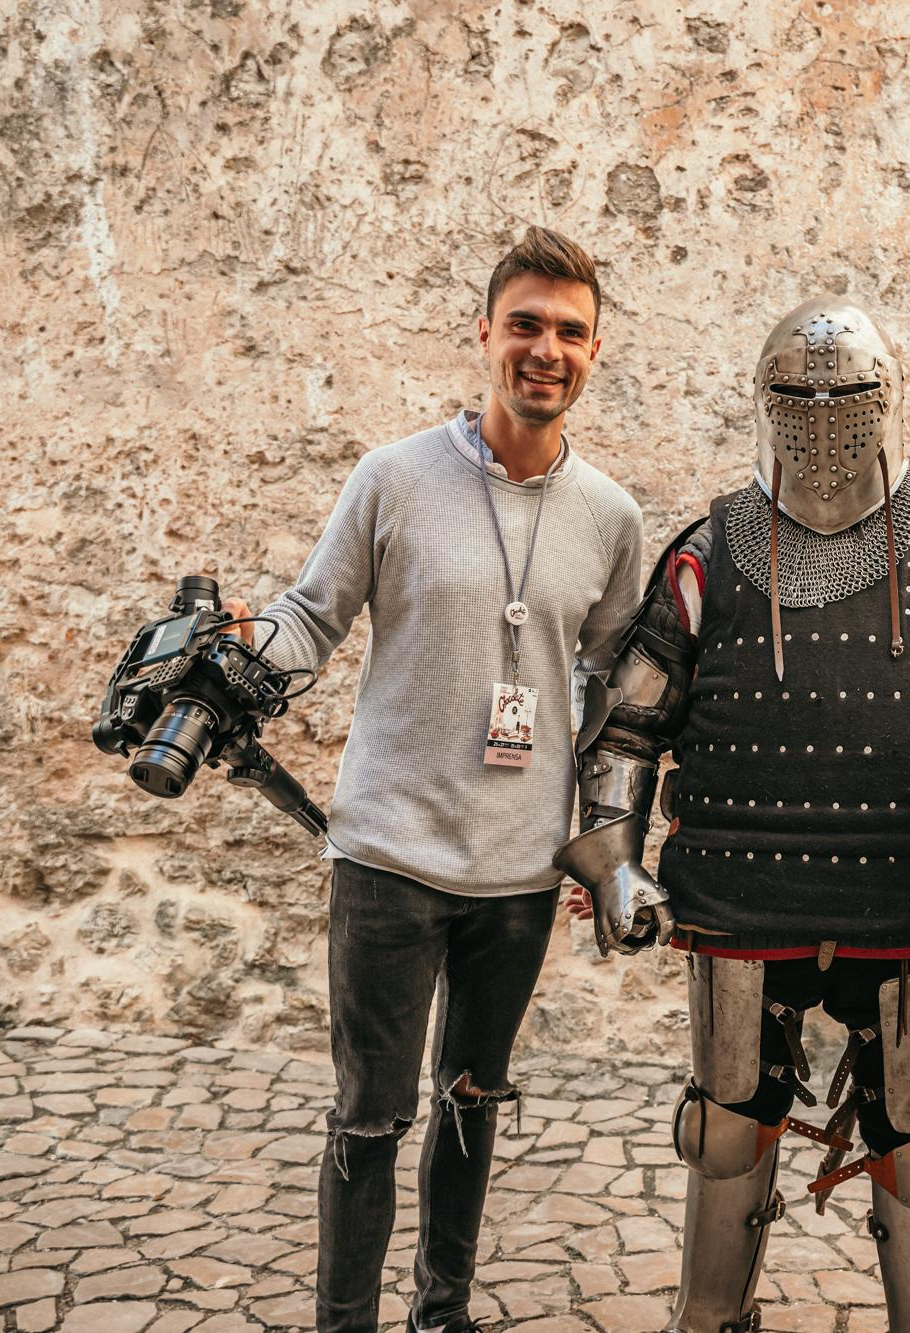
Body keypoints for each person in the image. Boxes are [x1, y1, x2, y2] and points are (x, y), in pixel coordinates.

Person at [555, 296, 910, 1331]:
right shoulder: (711, 547)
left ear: (887, 399)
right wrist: (614, 863)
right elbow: (627, 727)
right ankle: (710, 1317)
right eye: (797, 400)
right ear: (763, 402)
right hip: (739, 893)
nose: (821, 422)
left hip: (909, 893)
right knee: (723, 1130)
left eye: (846, 397)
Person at [224, 227, 645, 1333]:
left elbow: (614, 691)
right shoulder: (394, 477)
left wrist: (604, 846)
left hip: (518, 871)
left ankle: (441, 1314)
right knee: (369, 1119)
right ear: (484, 333)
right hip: (388, 855)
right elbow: (310, 618)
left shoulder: (610, 517)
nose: (545, 350)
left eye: (569, 332)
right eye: (525, 325)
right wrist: (239, 651)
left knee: (472, 1104)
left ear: (595, 351)